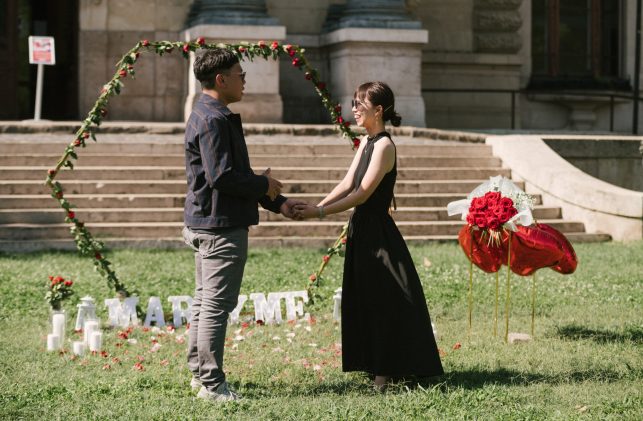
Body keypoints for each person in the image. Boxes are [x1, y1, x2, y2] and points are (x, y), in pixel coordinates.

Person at [294, 81, 444, 390]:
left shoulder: (386, 146)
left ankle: (384, 375)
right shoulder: (365, 143)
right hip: (361, 229)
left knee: (385, 300)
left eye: (359, 104)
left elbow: (362, 194)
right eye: (353, 103)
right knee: (364, 297)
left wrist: (320, 213)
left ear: (378, 110)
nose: (353, 109)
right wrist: (316, 205)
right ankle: (377, 365)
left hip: (378, 234)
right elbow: (348, 182)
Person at [182, 48, 303, 402]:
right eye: (240, 74)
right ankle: (211, 383)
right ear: (221, 79)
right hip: (220, 226)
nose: (245, 80)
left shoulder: (207, 113)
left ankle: (199, 374)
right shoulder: (214, 119)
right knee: (215, 306)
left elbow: (228, 173)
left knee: (205, 303)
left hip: (208, 221)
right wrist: (263, 185)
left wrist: (276, 202)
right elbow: (222, 177)